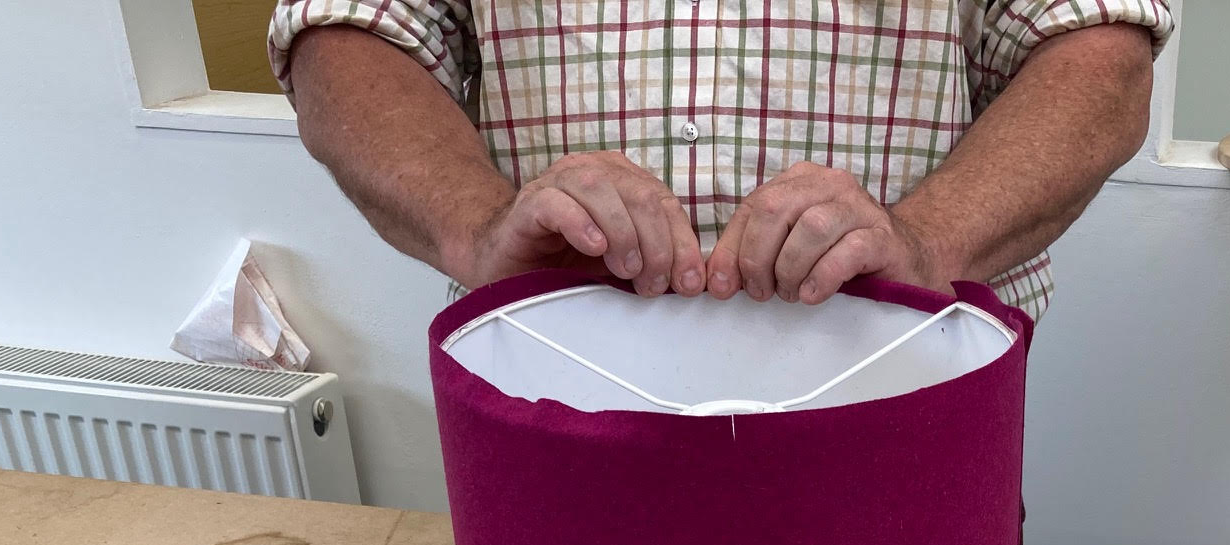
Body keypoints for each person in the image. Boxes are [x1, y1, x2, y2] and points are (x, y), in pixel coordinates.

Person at [270, 1, 1172, 320]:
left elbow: (1097, 48)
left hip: (905, 398)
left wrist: (928, 240)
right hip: (554, 403)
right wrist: (475, 228)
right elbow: (348, 32)